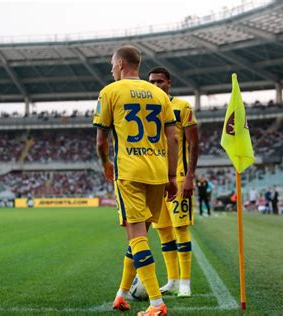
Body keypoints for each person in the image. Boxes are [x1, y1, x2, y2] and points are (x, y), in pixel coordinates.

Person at [93, 45, 178, 316]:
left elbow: (101, 140)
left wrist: (105, 162)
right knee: (138, 237)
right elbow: (174, 138)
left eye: (111, 64)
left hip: (129, 173)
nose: (110, 69)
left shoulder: (110, 92)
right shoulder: (159, 94)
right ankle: (121, 294)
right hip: (157, 172)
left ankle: (156, 304)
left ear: (120, 64)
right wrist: (172, 176)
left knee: (136, 236)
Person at [148, 66, 199, 297]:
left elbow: (194, 144)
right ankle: (172, 280)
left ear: (169, 83)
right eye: (152, 82)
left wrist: (189, 177)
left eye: (160, 82)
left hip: (178, 177)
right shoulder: (147, 110)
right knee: (164, 233)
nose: (156, 85)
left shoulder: (182, 107)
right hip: (156, 180)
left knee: (180, 229)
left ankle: (186, 282)